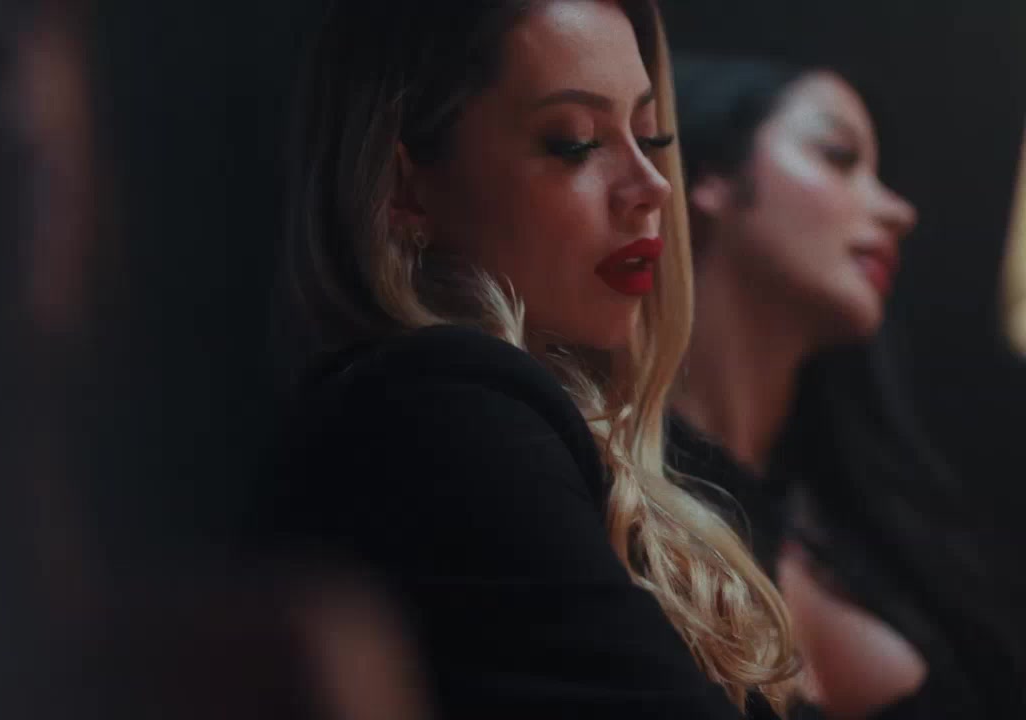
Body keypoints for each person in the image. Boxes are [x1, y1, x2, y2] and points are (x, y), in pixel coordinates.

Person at [258, 2, 800, 717]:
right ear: (406, 187)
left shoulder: (563, 436)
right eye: (573, 142)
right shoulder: (441, 412)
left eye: (650, 136)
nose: (653, 185)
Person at [670, 55, 1025, 718]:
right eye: (838, 156)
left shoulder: (859, 516)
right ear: (711, 176)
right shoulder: (603, 489)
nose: (900, 212)